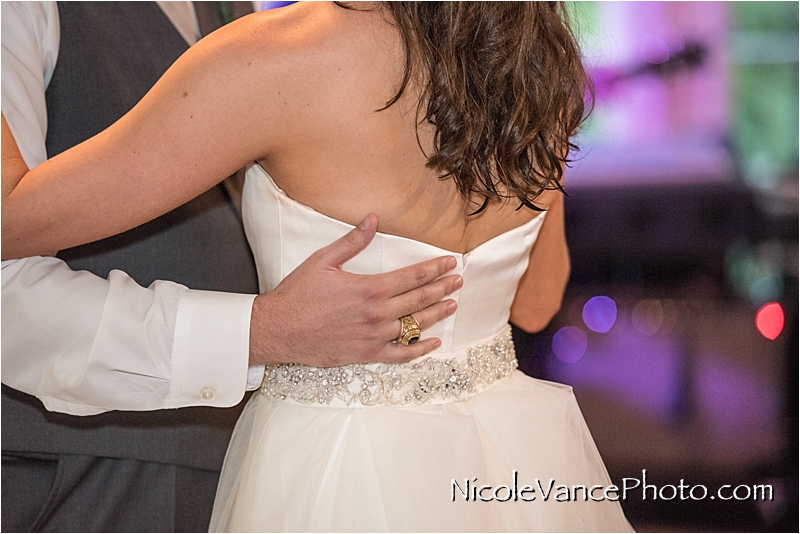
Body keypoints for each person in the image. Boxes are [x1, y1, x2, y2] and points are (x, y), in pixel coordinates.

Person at [3, 2, 634, 531]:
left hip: (334, 459)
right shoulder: (533, 72)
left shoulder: (284, 53)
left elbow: (11, 220)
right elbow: (536, 301)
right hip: (513, 458)